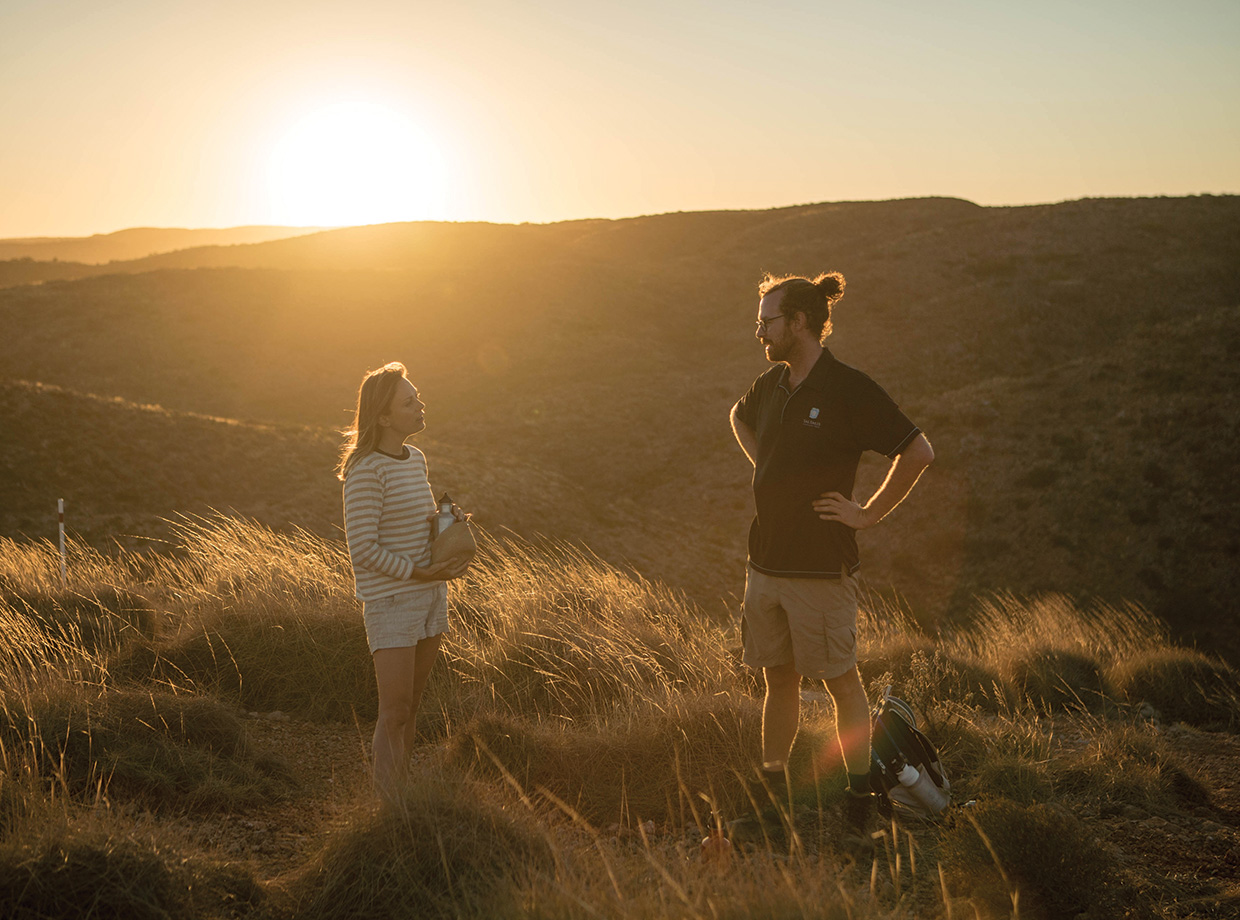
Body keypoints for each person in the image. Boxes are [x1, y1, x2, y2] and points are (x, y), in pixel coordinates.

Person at [729, 272, 934, 835]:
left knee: (842, 683)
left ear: (798, 323)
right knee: (779, 681)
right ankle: (773, 807)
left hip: (821, 567)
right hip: (765, 561)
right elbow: (738, 418)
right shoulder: (771, 385)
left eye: (767, 321)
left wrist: (868, 512)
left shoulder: (848, 388)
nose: (760, 331)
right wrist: (767, 467)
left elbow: (918, 451)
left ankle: (859, 806)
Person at [337, 362, 469, 798]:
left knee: (411, 708)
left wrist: (445, 524)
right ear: (383, 417)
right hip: (392, 600)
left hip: (430, 595)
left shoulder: (416, 459)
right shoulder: (365, 470)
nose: (420, 405)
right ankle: (385, 808)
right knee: (393, 711)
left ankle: (403, 798)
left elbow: (413, 524)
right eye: (409, 402)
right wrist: (418, 571)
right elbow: (364, 550)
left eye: (418, 397)